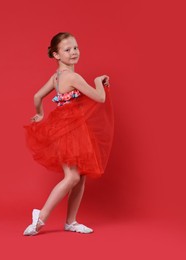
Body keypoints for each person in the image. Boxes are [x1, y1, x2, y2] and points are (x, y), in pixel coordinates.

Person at [23, 32, 114, 236]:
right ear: (56, 55)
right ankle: (41, 216)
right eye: (67, 49)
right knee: (72, 176)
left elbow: (37, 96)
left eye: (75, 48)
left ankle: (71, 222)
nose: (73, 52)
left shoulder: (57, 76)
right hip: (69, 130)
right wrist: (99, 80)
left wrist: (39, 114)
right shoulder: (73, 77)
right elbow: (99, 97)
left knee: (80, 176)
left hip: (69, 128)